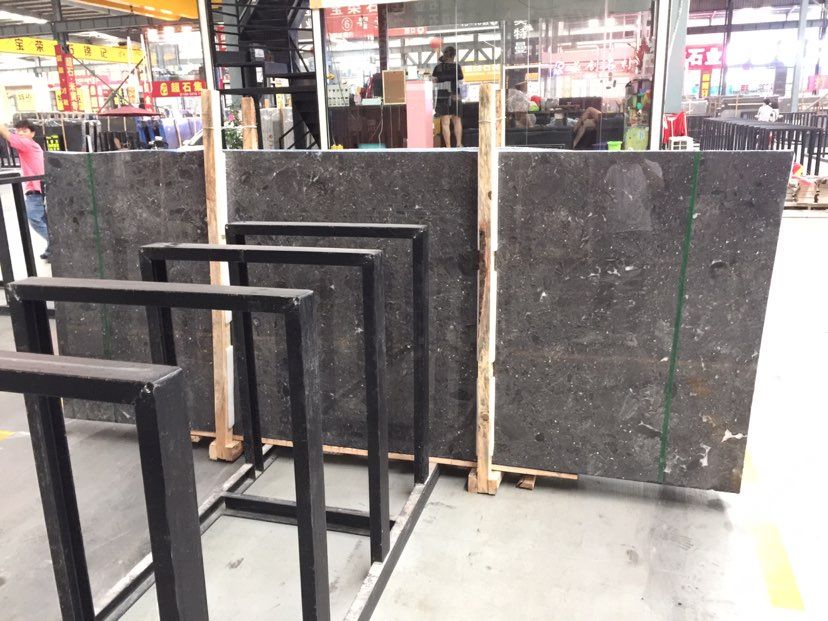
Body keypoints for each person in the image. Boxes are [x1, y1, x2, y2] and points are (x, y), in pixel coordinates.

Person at [0, 119, 49, 260]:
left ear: (32, 133)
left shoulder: (27, 144)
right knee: (44, 220)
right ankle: (52, 248)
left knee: (35, 218)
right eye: (18, 130)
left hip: (36, 191)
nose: (20, 133)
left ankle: (57, 244)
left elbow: (5, 133)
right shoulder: (32, 145)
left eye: (24, 130)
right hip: (40, 188)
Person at [432, 46, 464, 147]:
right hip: (455, 94)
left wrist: (442, 79)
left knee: (445, 122)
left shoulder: (438, 67)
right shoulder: (457, 67)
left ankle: (448, 147)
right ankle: (458, 144)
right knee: (457, 120)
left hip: (443, 95)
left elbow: (434, 81)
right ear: (454, 55)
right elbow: (461, 79)